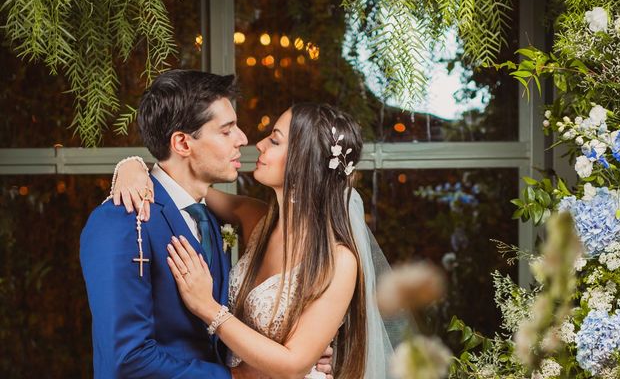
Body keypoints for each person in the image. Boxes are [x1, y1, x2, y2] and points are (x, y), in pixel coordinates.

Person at [80, 70, 333, 378]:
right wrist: (239, 377)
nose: (243, 139)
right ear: (183, 144)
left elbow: (210, 338)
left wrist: (291, 353)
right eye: (227, 131)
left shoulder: (209, 218)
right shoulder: (121, 220)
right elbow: (128, 360)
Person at [114, 103, 395, 378]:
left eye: (274, 140)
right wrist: (133, 167)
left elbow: (295, 364)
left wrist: (208, 308)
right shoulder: (255, 218)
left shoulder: (339, 260)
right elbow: (181, 184)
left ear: (303, 161)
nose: (259, 144)